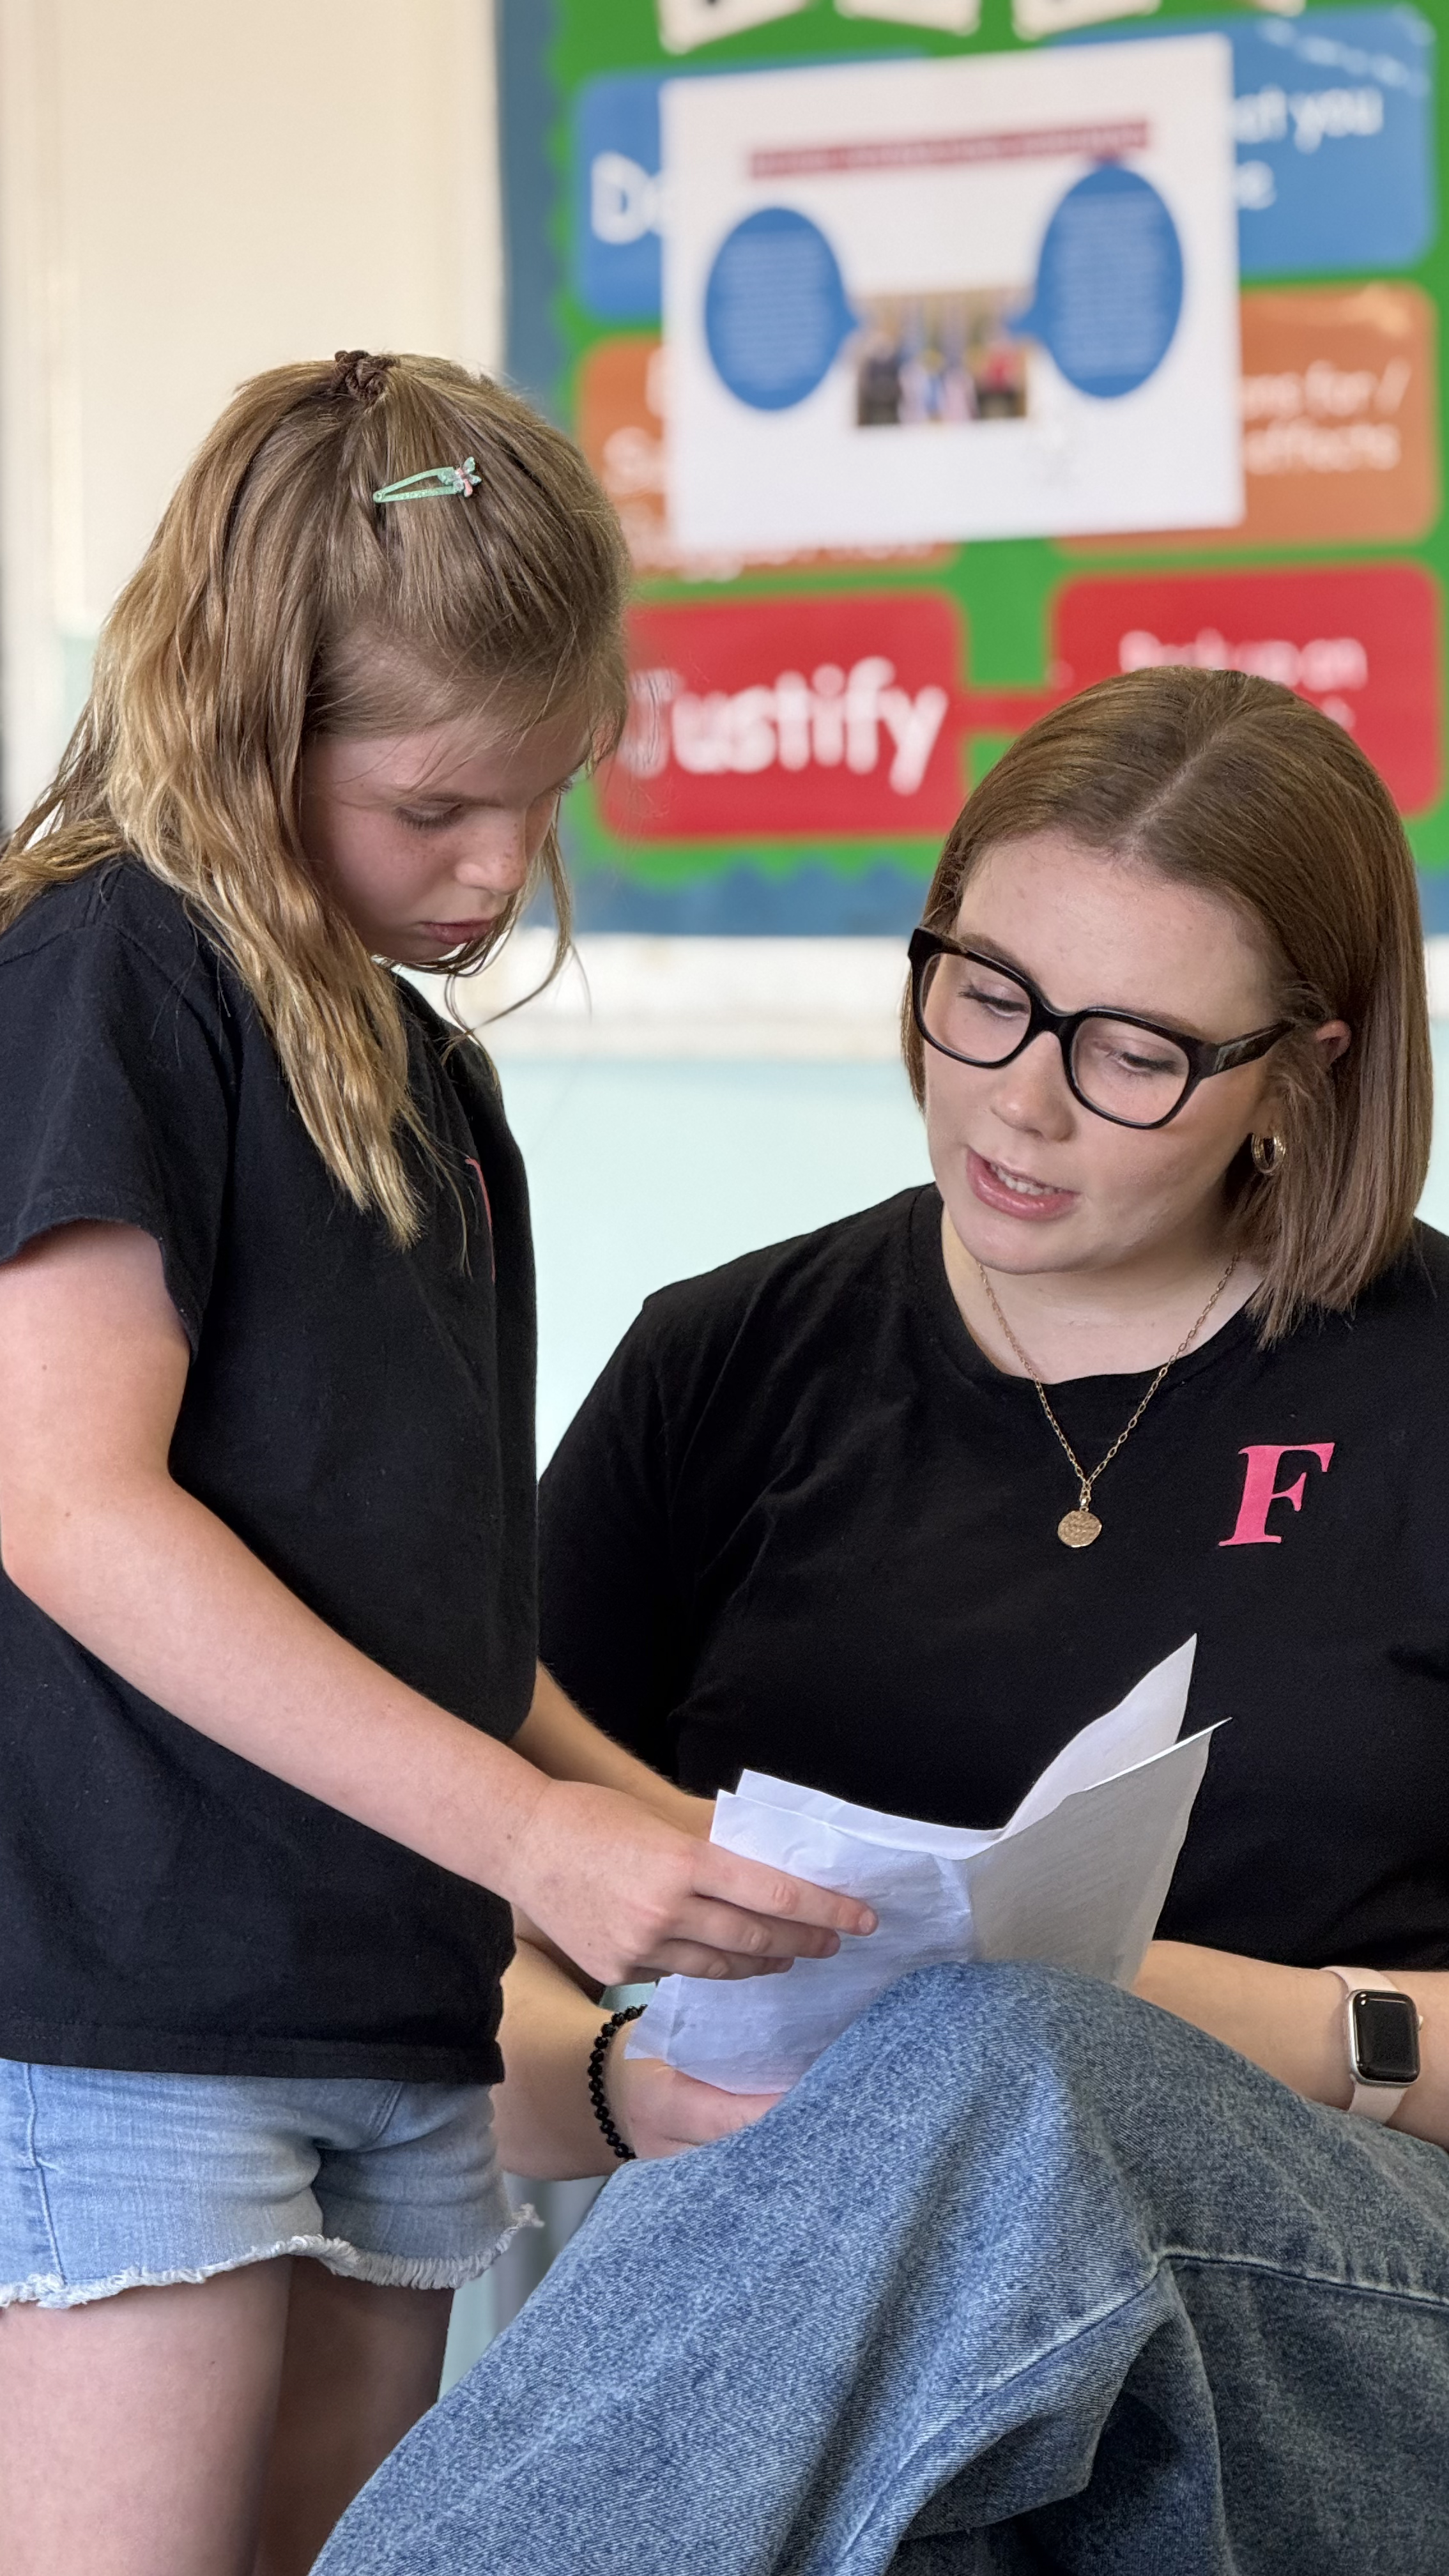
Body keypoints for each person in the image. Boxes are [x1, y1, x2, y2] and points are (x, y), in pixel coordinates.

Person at [318, 668, 1449, 2574]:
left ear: (1306, 1067)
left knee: (1006, 2065)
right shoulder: (727, 1364)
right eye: (984, 991)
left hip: (1340, 2310)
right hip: (833, 2317)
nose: (1017, 1093)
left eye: (1135, 1051)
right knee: (923, 2406)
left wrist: (1199, 2017)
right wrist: (615, 2087)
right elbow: (428, 1930)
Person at [0, 351, 872, 2576]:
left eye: (541, 801)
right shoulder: (110, 976)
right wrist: (532, 1838)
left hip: (382, 2015)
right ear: (242, 720)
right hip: (125, 2020)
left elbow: (432, 1609)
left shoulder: (420, 1076)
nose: (498, 875)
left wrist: (678, 1849)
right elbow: (64, 1500)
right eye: (434, 811)